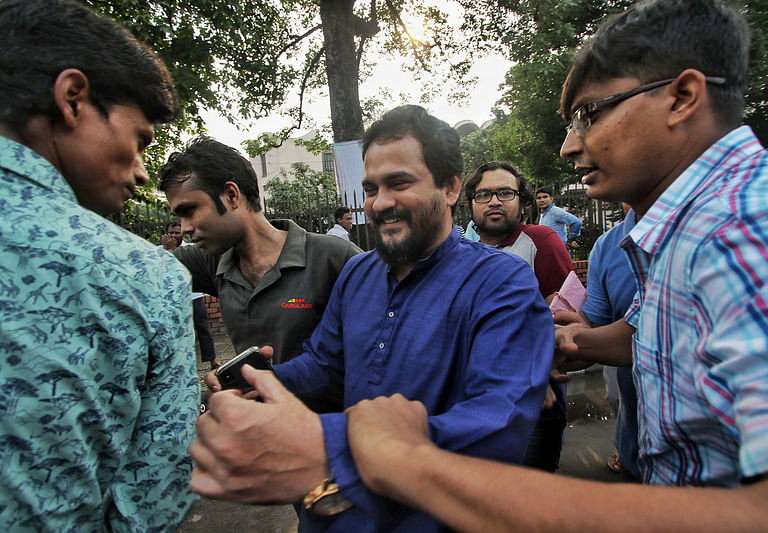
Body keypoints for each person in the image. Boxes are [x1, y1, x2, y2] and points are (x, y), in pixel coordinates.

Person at [341, 0, 768, 530]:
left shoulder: (753, 224)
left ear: (682, 97)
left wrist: (407, 462)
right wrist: (563, 341)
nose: (568, 146)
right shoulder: (687, 231)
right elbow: (664, 338)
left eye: (590, 114)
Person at [189, 105, 554, 532]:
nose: (380, 203)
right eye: (370, 188)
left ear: (451, 187)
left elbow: (499, 422)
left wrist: (330, 447)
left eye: (399, 183)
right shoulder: (358, 273)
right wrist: (263, 385)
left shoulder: (502, 283)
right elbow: (326, 364)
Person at [0, 0, 199, 531]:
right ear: (72, 99)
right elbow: (154, 497)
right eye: (138, 142)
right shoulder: (147, 277)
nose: (139, 173)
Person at [158, 136, 361, 367]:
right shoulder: (212, 262)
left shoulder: (333, 257)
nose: (184, 228)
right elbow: (131, 271)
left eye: (190, 210)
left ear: (231, 195)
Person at [464, 160, 574, 471]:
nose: (494, 201)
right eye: (483, 194)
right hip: (477, 395)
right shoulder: (462, 251)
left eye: (505, 193)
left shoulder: (540, 241)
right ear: (470, 205)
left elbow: (564, 314)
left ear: (522, 203)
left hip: (535, 393)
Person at [563, 204, 640, 479]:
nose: (569, 157)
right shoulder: (607, 246)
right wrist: (562, 339)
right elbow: (597, 328)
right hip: (637, 451)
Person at [161, 220, 219, 369]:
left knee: (203, 328)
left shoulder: (192, 249)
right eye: (171, 232)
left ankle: (212, 360)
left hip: (194, 297)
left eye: (176, 232)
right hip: (175, 300)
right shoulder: (159, 251)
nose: (173, 235)